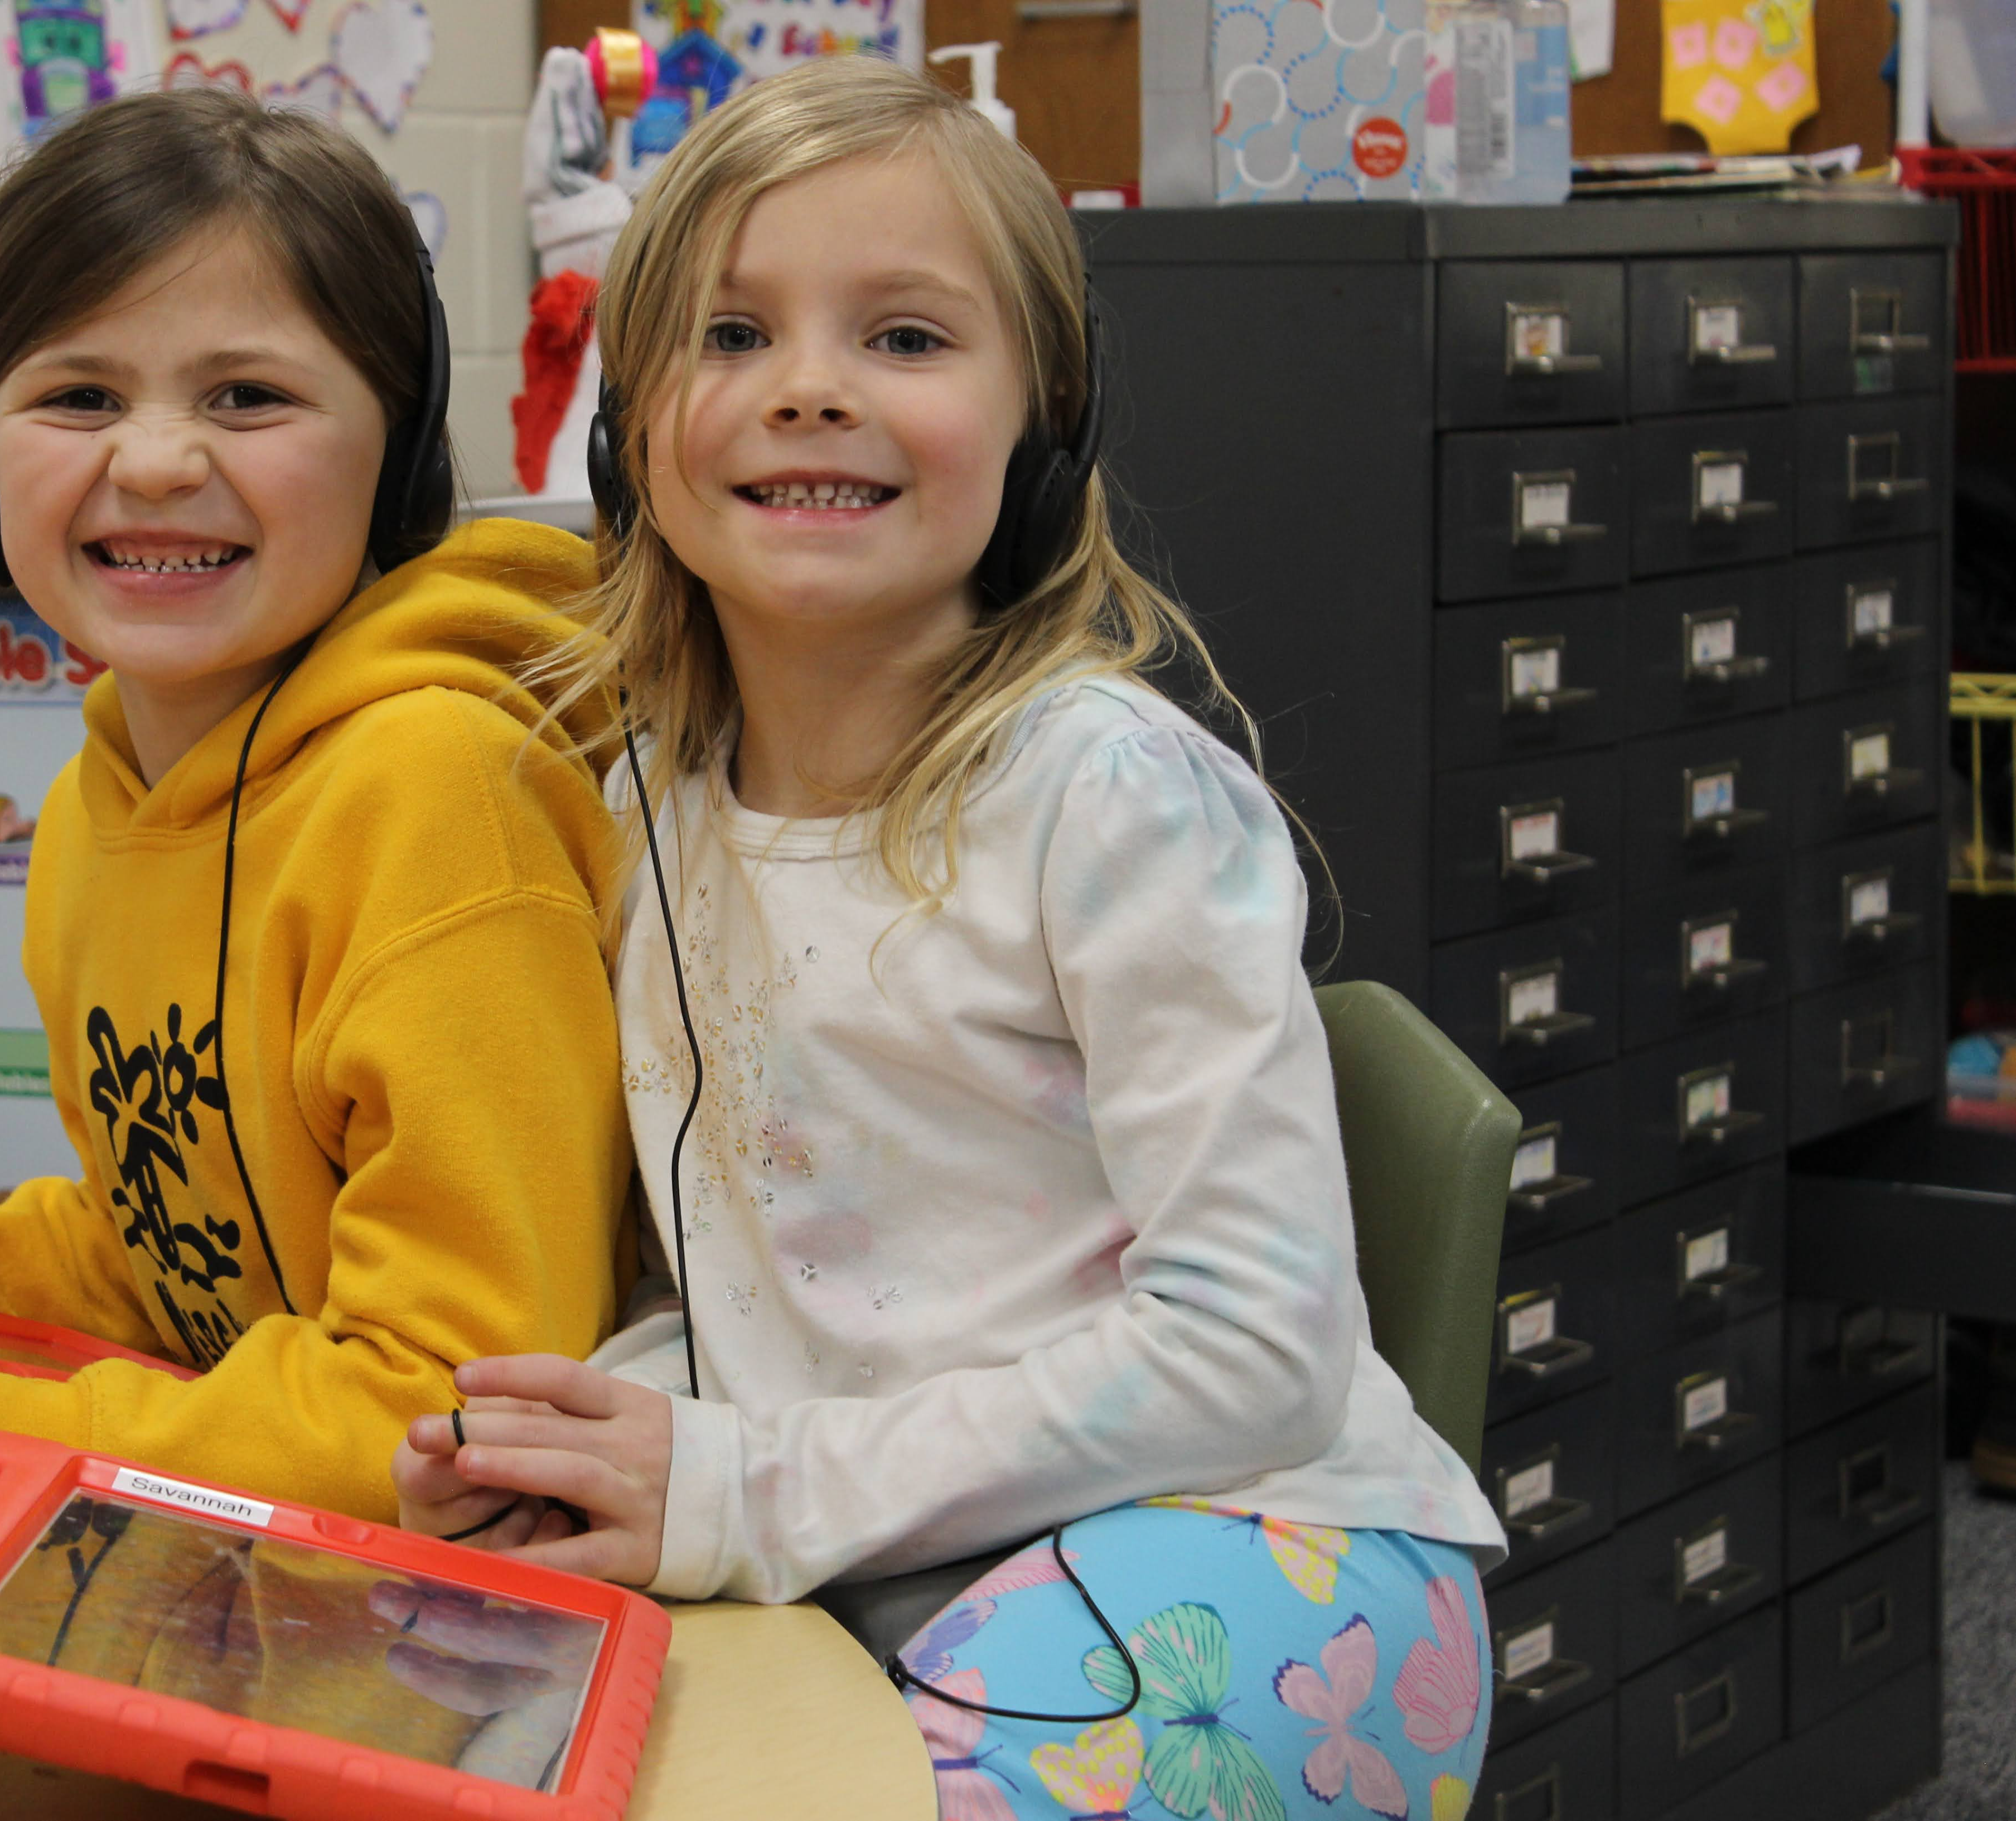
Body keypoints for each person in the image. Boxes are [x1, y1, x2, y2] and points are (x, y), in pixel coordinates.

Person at [391, 58, 1506, 1821]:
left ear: (1040, 427)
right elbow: (809, 1295)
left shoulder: (1110, 800)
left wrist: (745, 1494)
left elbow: (1257, 1346)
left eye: (905, 340)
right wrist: (589, 1442)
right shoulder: (646, 816)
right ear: (627, 436)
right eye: (732, 336)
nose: (810, 391)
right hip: (893, 1555)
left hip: (1255, 1560)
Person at [0, 86, 631, 1586]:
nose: (159, 460)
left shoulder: (436, 795)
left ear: (402, 452)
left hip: (492, 1603)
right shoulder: (111, 792)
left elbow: (461, 1412)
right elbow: (171, 1257)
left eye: (248, 396)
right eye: (80, 397)